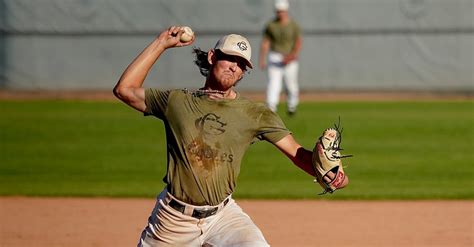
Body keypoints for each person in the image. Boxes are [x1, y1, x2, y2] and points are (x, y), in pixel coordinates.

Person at [113, 26, 348, 247]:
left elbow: (297, 155)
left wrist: (331, 174)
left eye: (241, 64)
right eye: (230, 58)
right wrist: (161, 43)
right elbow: (125, 89)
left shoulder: (255, 114)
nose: (234, 67)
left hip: (223, 216)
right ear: (212, 57)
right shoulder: (177, 101)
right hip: (173, 221)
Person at [259, 0, 302, 116]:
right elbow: (266, 42)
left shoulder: (293, 25)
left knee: (291, 84)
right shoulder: (271, 25)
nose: (280, 14)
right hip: (275, 56)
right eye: (278, 11)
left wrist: (292, 55)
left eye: (282, 11)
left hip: (290, 57)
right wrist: (262, 59)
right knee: (274, 83)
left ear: (286, 11)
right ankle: (271, 107)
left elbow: (298, 42)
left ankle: (292, 105)